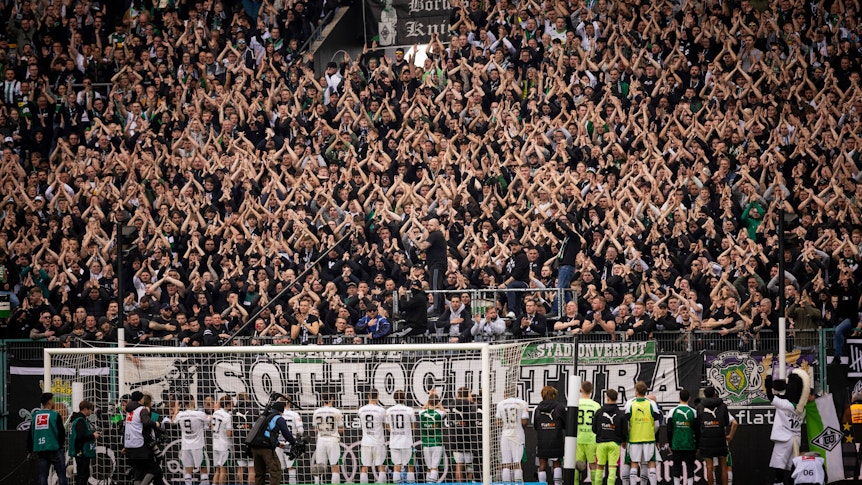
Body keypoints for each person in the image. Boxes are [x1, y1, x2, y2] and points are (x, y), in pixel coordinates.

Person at [245, 396, 298, 485]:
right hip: (266, 448)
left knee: (259, 473)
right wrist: (294, 443)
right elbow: (286, 433)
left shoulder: (262, 417)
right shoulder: (278, 418)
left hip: (254, 447)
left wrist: (277, 444)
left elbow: (262, 432)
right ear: (281, 411)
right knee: (275, 471)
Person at [123, 391, 165, 485]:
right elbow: (146, 422)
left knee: (139, 472)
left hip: (130, 445)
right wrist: (156, 424)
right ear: (140, 399)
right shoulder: (142, 409)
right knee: (154, 469)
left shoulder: (129, 411)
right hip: (139, 446)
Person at [624, 381, 661, 485]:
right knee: (651, 462)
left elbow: (626, 424)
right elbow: (657, 424)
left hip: (634, 438)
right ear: (645, 391)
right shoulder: (652, 403)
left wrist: (631, 432)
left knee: (634, 462)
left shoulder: (629, 403)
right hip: (649, 438)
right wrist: (650, 431)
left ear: (636, 391)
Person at [28, 392, 68, 485]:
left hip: (41, 450)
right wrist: (60, 445)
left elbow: (30, 435)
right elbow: (61, 433)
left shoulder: (35, 417)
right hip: (54, 449)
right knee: (61, 475)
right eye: (53, 400)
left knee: (43, 476)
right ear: (49, 401)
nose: (54, 402)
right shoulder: (55, 415)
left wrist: (30, 450)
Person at [697, 387, 734, 485]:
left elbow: (698, 424)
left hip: (706, 440)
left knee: (709, 467)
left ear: (705, 395)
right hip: (720, 439)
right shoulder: (723, 406)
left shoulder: (700, 406)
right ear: (714, 394)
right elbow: (726, 422)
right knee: (724, 467)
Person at [172, 395, 212, 485]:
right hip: (197, 445)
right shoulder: (199, 414)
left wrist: (176, 410)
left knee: (188, 470)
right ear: (192, 401)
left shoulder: (180, 415)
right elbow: (210, 418)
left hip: (186, 446)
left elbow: (173, 422)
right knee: (203, 468)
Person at [593, 389, 627, 485]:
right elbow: (624, 431)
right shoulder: (621, 413)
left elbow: (594, 429)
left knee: (599, 468)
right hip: (614, 444)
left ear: (607, 398)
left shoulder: (599, 412)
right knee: (612, 469)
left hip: (601, 443)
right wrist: (623, 441)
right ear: (616, 399)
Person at [533, 385, 566, 485]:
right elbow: (566, 424)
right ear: (554, 395)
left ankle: (542, 484)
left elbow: (536, 426)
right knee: (557, 464)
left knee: (542, 465)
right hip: (556, 440)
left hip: (542, 441)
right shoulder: (560, 407)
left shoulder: (537, 409)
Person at [496, 389, 528, 483]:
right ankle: (518, 483)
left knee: (506, 463)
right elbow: (524, 421)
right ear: (517, 393)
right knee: (517, 463)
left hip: (505, 436)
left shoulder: (500, 404)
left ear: (505, 393)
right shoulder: (523, 403)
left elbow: (498, 422)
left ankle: (506, 483)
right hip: (518, 436)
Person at [667, 390, 698, 485]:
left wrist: (670, 444)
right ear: (689, 398)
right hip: (690, 444)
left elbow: (669, 430)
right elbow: (697, 431)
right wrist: (697, 445)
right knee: (690, 467)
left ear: (679, 398)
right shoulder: (694, 412)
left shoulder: (672, 412)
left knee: (676, 467)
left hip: (677, 444)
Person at [357, 389, 387, 484]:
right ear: (377, 397)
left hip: (366, 442)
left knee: (364, 467)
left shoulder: (361, 410)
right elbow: (385, 425)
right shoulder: (382, 410)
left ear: (368, 396)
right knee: (381, 466)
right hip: (378, 442)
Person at [387, 390, 417, 484]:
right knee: (410, 466)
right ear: (404, 398)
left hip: (394, 442)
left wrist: (395, 431)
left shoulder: (389, 410)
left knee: (396, 466)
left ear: (394, 398)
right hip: (406, 442)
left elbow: (387, 426)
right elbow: (414, 427)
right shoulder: (409, 410)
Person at [312, 394, 344, 485]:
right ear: (332, 399)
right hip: (333, 440)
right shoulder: (337, 412)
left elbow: (315, 429)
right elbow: (341, 430)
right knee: (335, 466)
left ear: (322, 399)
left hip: (321, 440)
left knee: (319, 467)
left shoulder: (317, 412)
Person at [450, 387, 479, 481]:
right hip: (468, 438)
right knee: (469, 465)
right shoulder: (471, 405)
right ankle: (469, 482)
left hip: (456, 438)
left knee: (459, 465)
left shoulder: (452, 404)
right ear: (468, 394)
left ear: (458, 394)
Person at [69, 400, 100, 485]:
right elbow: (80, 436)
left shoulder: (77, 419)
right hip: (82, 451)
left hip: (79, 450)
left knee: (81, 474)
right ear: (85, 409)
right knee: (83, 474)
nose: (91, 412)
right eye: (90, 409)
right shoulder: (80, 420)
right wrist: (93, 436)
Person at [577, 381, 602, 485]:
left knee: (576, 466)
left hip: (578, 438)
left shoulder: (576, 403)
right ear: (591, 390)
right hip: (592, 439)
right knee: (593, 465)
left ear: (580, 390)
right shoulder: (596, 405)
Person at [419, 391, 447, 483]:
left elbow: (423, 408)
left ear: (428, 401)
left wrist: (429, 400)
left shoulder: (422, 413)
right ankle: (431, 483)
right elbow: (445, 412)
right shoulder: (439, 413)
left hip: (426, 443)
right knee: (434, 467)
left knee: (429, 467)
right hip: (437, 443)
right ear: (437, 402)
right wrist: (439, 404)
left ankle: (428, 482)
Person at [276, 396, 304, 485]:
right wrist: (296, 438)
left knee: (278, 468)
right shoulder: (295, 415)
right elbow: (300, 430)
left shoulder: (277, 415)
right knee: (291, 468)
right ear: (290, 403)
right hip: (290, 443)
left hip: (278, 444)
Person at [211, 397, 234, 485]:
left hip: (215, 443)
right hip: (224, 446)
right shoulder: (228, 416)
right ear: (227, 405)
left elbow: (212, 426)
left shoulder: (215, 413)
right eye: (231, 403)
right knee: (224, 470)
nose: (233, 405)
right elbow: (229, 434)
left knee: (217, 470)